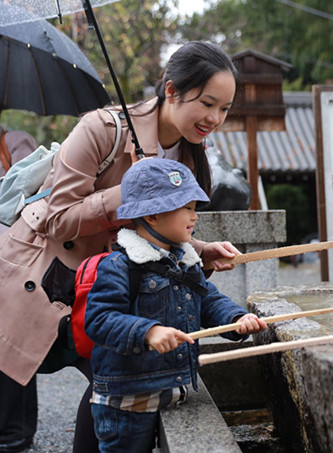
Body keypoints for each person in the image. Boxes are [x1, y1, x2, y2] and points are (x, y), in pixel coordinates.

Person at [0, 41, 247, 453]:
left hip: (117, 283)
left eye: (225, 109)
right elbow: (58, 219)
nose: (215, 119)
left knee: (115, 375)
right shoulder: (101, 128)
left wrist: (198, 248)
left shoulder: (188, 151)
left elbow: (151, 231)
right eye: (207, 103)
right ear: (170, 90)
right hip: (57, 280)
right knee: (112, 372)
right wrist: (126, 195)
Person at [85, 159, 267, 452]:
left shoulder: (185, 259)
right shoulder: (119, 265)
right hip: (128, 401)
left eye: (194, 208)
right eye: (187, 208)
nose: (195, 217)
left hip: (172, 387)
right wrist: (149, 331)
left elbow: (207, 298)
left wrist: (237, 319)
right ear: (153, 215)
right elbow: (99, 320)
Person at [0, 89, 39, 453]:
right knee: (9, 341)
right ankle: (9, 431)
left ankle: (13, 432)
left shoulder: (14, 143)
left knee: (12, 342)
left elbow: (36, 195)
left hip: (12, 257)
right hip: (6, 257)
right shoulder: (14, 141)